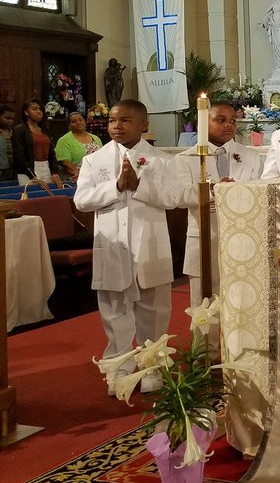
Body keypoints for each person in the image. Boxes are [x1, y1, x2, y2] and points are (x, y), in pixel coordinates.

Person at [74, 100, 181, 395]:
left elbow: (172, 198)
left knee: (153, 309)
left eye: (125, 120)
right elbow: (81, 200)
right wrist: (117, 187)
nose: (117, 126)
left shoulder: (161, 160)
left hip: (149, 247)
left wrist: (138, 186)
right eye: (112, 121)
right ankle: (119, 366)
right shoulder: (94, 161)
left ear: (144, 125)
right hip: (112, 247)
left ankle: (153, 365)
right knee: (115, 310)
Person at [173, 101, 263, 305]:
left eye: (232, 121)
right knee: (204, 305)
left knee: (242, 301)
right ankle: (206, 339)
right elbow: (180, 197)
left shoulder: (251, 156)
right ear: (204, 122)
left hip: (243, 239)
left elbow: (259, 191)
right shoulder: (185, 159)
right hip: (205, 238)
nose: (228, 125)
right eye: (220, 120)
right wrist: (214, 189)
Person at [12, 98, 63, 187]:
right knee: (32, 198)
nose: (39, 112)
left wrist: (55, 173)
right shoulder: (19, 130)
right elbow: (19, 156)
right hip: (28, 170)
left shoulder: (45, 130)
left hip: (46, 168)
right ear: (26, 112)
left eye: (41, 109)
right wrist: (33, 177)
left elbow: (51, 153)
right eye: (34, 109)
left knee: (48, 197)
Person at [54, 111, 103, 181]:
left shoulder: (96, 138)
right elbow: (64, 162)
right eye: (74, 122)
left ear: (85, 121)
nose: (78, 123)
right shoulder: (64, 140)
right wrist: (82, 175)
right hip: (76, 178)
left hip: (97, 177)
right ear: (69, 125)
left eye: (80, 120)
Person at [1, 104, 17, 181]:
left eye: (12, 119)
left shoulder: (14, 133)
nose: (10, 121)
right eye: (7, 118)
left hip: (12, 170)